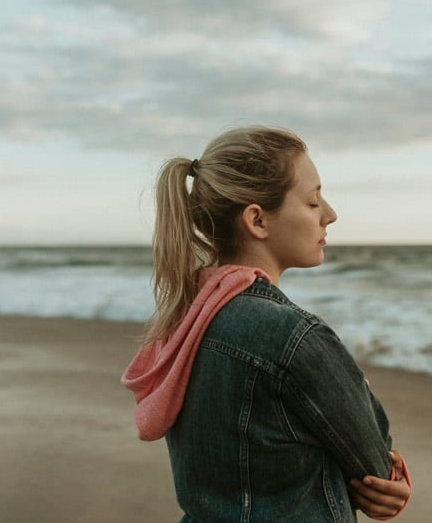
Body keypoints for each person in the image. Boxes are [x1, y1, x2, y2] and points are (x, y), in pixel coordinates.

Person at [122, 126, 411, 522]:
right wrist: (388, 479)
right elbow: (376, 465)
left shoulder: (185, 322)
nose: (330, 214)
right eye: (312, 202)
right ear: (257, 220)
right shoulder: (292, 337)